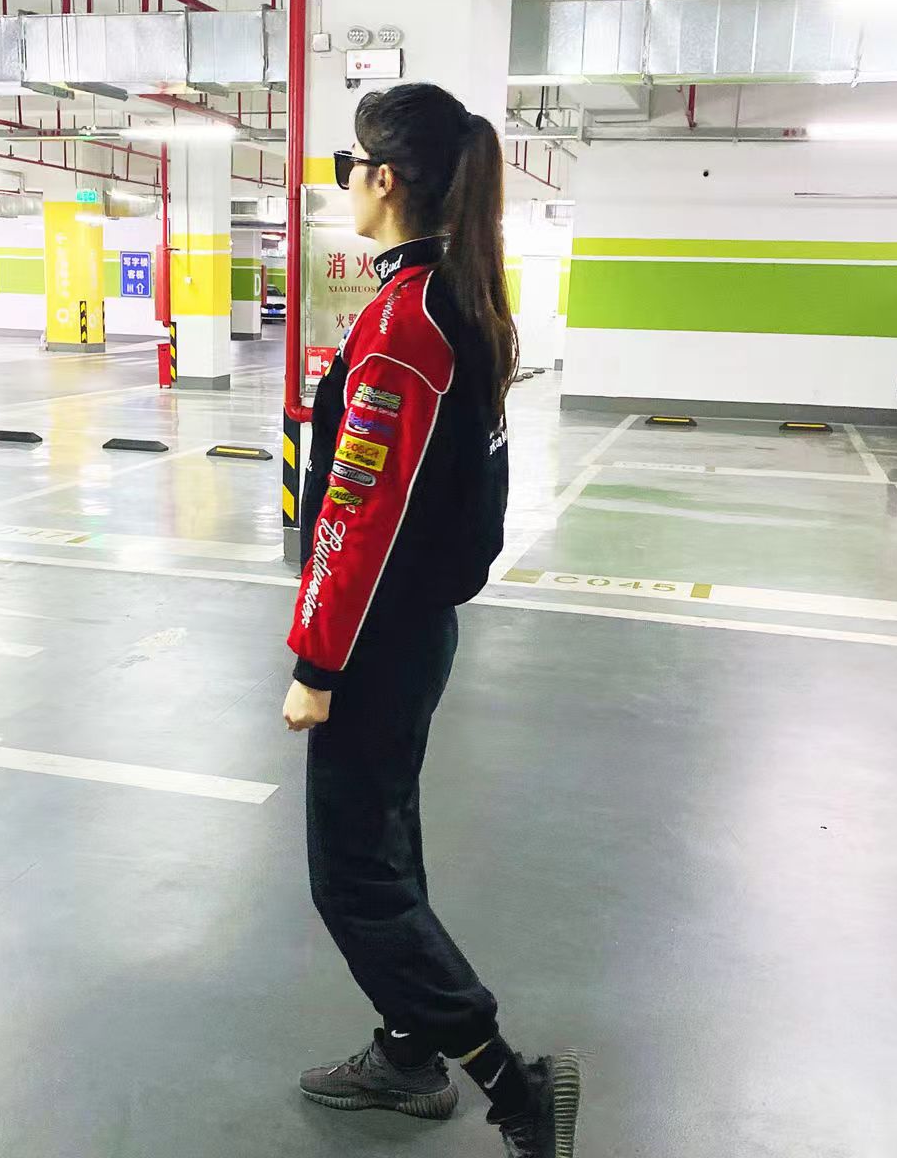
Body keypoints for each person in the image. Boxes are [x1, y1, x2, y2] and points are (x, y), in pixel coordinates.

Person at [281, 82, 582, 1158]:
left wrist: (316, 662)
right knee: (387, 848)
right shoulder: (457, 300)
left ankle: (509, 1082)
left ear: (385, 179)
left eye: (348, 168)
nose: (345, 186)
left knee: (354, 881)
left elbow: (357, 516)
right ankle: (407, 1055)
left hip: (375, 640)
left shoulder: (408, 322)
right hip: (413, 633)